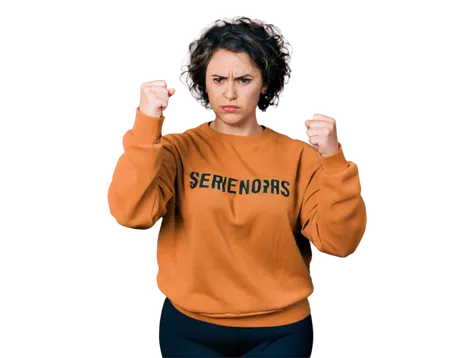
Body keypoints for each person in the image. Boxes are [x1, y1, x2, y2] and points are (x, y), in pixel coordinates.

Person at [105, 15, 369, 358]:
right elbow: (129, 214)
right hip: (189, 327)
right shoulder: (175, 149)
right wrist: (146, 124)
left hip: (281, 331)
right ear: (205, 81)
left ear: (264, 83)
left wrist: (334, 159)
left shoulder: (299, 156)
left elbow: (340, 244)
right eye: (218, 79)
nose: (229, 92)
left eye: (244, 79)